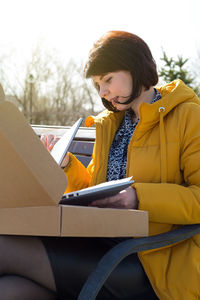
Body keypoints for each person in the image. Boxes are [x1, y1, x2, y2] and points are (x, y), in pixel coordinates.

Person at [0, 30, 200, 300]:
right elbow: (95, 190)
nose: (103, 92)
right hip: (98, 241)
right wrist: (65, 165)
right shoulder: (110, 124)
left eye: (108, 79)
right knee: (10, 289)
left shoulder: (188, 116)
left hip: (154, 259)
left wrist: (139, 197)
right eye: (98, 84)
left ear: (136, 67)